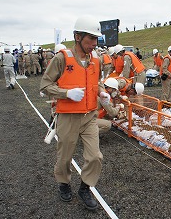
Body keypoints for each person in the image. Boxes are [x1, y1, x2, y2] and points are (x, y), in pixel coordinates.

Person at [40, 16, 108, 211]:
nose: (94, 44)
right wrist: (66, 93)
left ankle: (85, 187)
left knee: (95, 156)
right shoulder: (62, 58)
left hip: (89, 117)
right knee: (65, 156)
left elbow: (96, 82)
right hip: (68, 117)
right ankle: (64, 183)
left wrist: (101, 92)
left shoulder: (95, 59)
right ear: (78, 37)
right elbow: (45, 85)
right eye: (90, 39)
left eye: (96, 39)